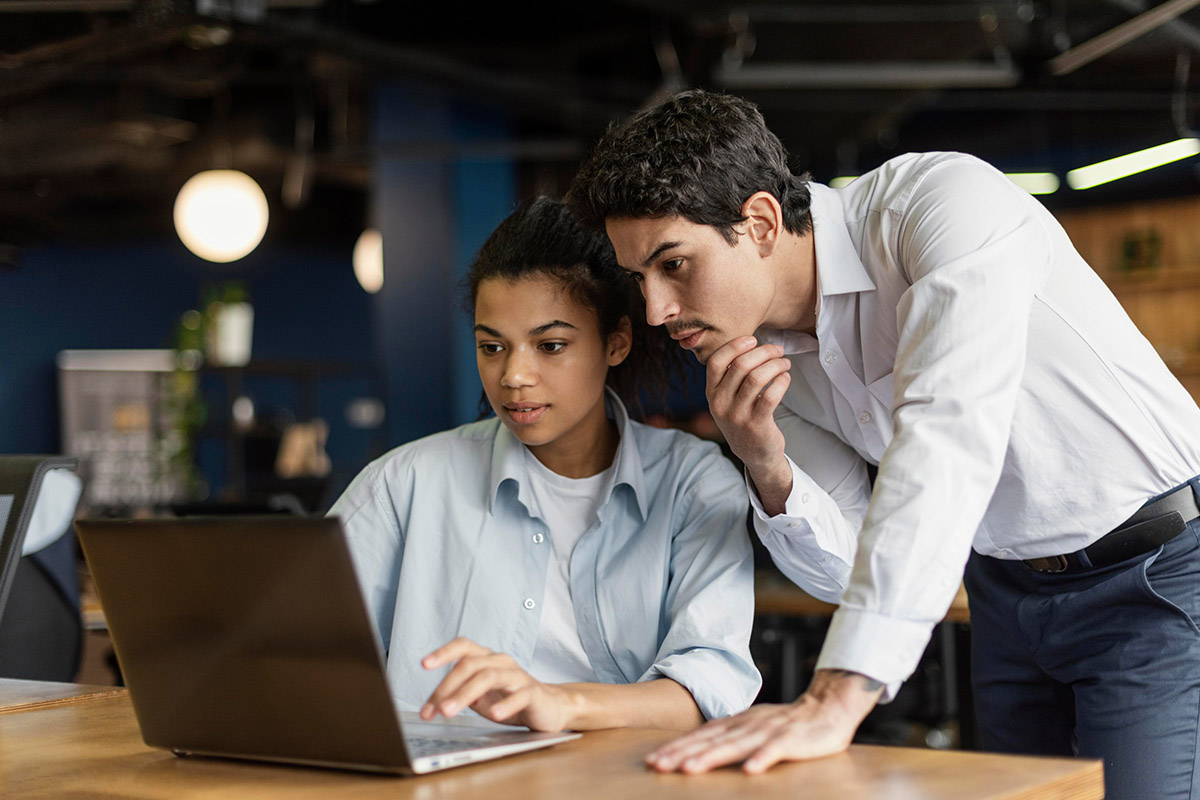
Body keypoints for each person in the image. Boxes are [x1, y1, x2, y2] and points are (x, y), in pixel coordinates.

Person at [567, 89, 1200, 798]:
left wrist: (836, 698)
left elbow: (946, 435)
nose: (656, 310)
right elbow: (849, 572)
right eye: (639, 279)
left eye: (674, 265)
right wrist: (765, 460)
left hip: (1154, 572)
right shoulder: (758, 357)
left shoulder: (942, 207)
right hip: (1003, 592)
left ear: (761, 222)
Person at [328, 196, 760, 733]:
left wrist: (561, 704)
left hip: (616, 771)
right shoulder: (403, 483)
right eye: (492, 347)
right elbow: (297, 650)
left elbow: (712, 685)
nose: (514, 376)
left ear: (616, 342)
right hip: (442, 771)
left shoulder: (691, 483)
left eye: (550, 345)